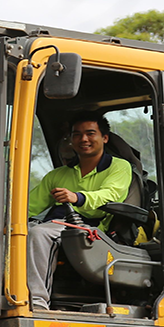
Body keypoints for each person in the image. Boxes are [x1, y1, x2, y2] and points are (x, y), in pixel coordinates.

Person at [26, 113, 132, 310]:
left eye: (90, 133)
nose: (83, 139)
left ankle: (37, 302)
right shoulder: (58, 175)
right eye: (77, 135)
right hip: (56, 223)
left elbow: (111, 195)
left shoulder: (119, 167)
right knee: (15, 231)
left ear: (105, 138)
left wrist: (78, 197)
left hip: (90, 229)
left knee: (39, 234)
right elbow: (30, 204)